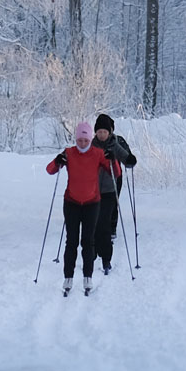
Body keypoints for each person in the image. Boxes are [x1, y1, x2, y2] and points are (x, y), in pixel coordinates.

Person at [46, 121, 112, 294]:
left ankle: (87, 277)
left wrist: (112, 159)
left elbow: (115, 172)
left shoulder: (98, 153)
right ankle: (68, 277)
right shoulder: (69, 153)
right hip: (72, 203)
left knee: (88, 242)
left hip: (92, 203)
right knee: (71, 241)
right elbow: (50, 170)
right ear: (76, 139)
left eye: (85, 140)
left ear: (90, 138)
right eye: (80, 140)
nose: (82, 143)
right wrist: (57, 161)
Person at [91, 113, 137, 274]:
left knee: (104, 221)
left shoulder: (115, 144)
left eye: (105, 132)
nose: (102, 134)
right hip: (93, 189)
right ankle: (93, 251)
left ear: (109, 132)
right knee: (93, 222)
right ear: (95, 132)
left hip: (111, 187)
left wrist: (130, 160)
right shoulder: (91, 145)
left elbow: (126, 158)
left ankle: (106, 257)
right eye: (99, 132)